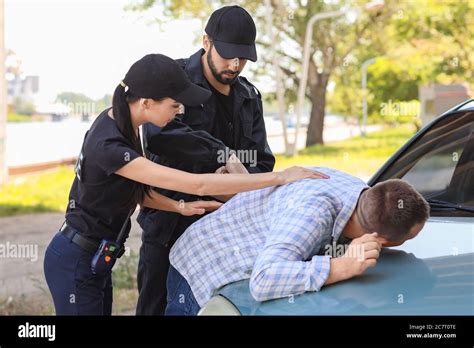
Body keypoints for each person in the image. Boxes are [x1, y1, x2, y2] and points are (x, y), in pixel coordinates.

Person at [43, 53, 328, 315]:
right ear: (146, 102)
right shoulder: (110, 144)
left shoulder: (121, 121)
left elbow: (138, 192)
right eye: (174, 105)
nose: (179, 112)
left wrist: (180, 207)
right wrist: (278, 178)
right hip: (76, 260)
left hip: (96, 258)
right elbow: (197, 184)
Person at [136, 5, 276, 315]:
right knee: (155, 308)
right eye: (227, 54)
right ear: (206, 42)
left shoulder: (250, 96)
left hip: (225, 230)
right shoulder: (172, 79)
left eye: (242, 58)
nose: (235, 64)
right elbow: (159, 134)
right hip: (170, 224)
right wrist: (222, 156)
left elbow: (263, 163)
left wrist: (238, 182)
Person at [165, 168, 430, 315]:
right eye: (409, 238)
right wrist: (341, 266)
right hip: (199, 269)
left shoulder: (362, 194)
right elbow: (263, 280)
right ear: (380, 240)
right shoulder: (312, 214)